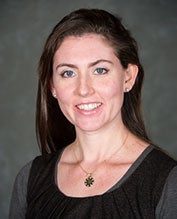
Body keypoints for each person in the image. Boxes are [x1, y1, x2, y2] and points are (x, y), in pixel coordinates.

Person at [9, 8, 177, 219]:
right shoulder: (29, 179)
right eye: (68, 73)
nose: (83, 89)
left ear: (128, 77)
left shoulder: (169, 182)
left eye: (100, 70)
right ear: (52, 86)